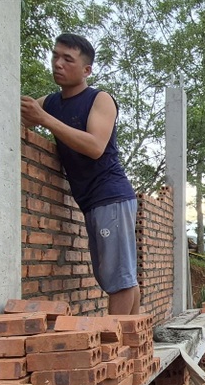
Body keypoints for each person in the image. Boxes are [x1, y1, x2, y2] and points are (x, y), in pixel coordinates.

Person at [20, 33, 140, 315]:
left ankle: (117, 352)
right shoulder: (51, 103)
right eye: (55, 56)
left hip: (110, 196)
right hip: (93, 201)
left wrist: (45, 120)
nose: (58, 63)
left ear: (86, 70)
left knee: (118, 280)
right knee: (119, 276)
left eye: (67, 59)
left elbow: (96, 146)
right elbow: (17, 116)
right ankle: (135, 348)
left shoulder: (100, 100)